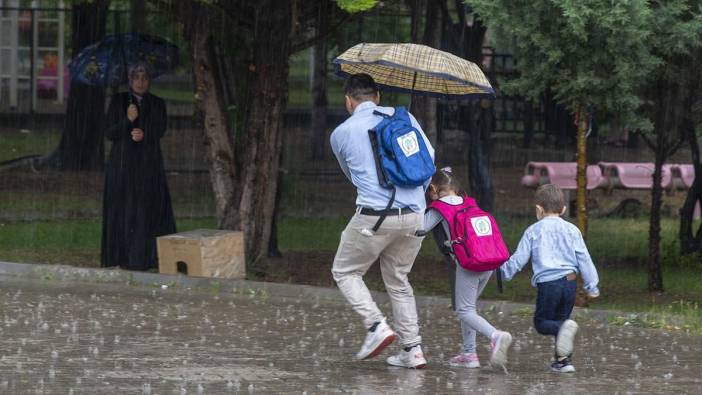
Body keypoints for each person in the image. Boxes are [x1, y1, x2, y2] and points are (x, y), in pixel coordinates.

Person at [330, 73, 434, 369]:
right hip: (416, 215)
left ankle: (376, 326)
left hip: (374, 216)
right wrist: (414, 197)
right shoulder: (405, 119)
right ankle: (413, 350)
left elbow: (351, 175)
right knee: (399, 281)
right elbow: (429, 161)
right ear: (378, 96)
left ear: (348, 101)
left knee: (345, 271)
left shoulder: (341, 133)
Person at [500, 184, 600, 373]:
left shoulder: (533, 231)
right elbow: (584, 258)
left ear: (538, 209)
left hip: (549, 284)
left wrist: (503, 273)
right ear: (563, 209)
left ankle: (563, 340)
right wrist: (592, 286)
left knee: (543, 323)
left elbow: (519, 259)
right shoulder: (572, 230)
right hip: (570, 282)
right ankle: (564, 362)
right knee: (562, 321)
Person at [420, 167, 512, 368]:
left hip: (468, 264)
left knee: (464, 311)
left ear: (434, 189)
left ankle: (495, 336)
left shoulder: (440, 207)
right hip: (487, 262)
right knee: (469, 308)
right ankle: (469, 354)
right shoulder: (469, 203)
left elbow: (420, 228)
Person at [101, 62, 176, 271]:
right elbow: (110, 132)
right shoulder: (119, 101)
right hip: (123, 165)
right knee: (124, 209)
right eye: (136, 78)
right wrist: (128, 120)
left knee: (146, 208)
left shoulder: (157, 103)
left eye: (144, 78)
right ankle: (122, 255)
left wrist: (144, 134)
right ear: (130, 80)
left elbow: (160, 128)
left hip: (148, 164)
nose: (141, 82)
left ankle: (146, 256)